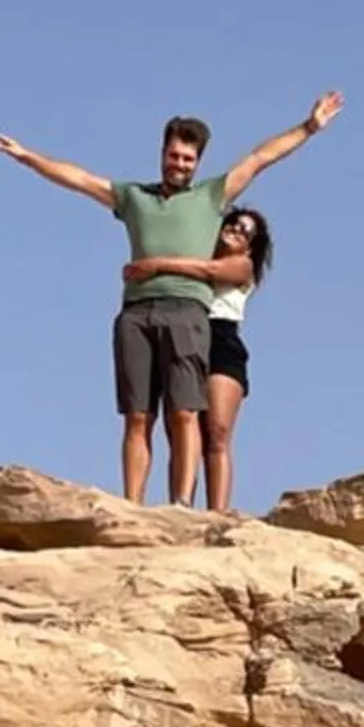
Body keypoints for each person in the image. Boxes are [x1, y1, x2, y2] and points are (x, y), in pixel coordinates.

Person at [0, 95, 342, 505]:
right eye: (175, 156)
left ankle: (180, 504)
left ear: (198, 163)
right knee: (137, 416)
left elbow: (259, 158)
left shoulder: (212, 197)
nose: (180, 164)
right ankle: (133, 505)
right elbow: (82, 180)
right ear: (163, 154)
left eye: (189, 159)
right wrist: (29, 158)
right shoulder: (133, 197)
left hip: (187, 313)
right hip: (136, 312)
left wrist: (308, 127)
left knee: (184, 413)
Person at [122, 204, 272, 512]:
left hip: (221, 340)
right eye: (232, 224)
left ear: (252, 245)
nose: (236, 231)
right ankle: (181, 501)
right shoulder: (198, 253)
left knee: (216, 430)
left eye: (246, 231)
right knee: (180, 421)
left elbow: (210, 272)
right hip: (187, 329)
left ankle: (217, 512)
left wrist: (157, 265)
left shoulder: (242, 267)